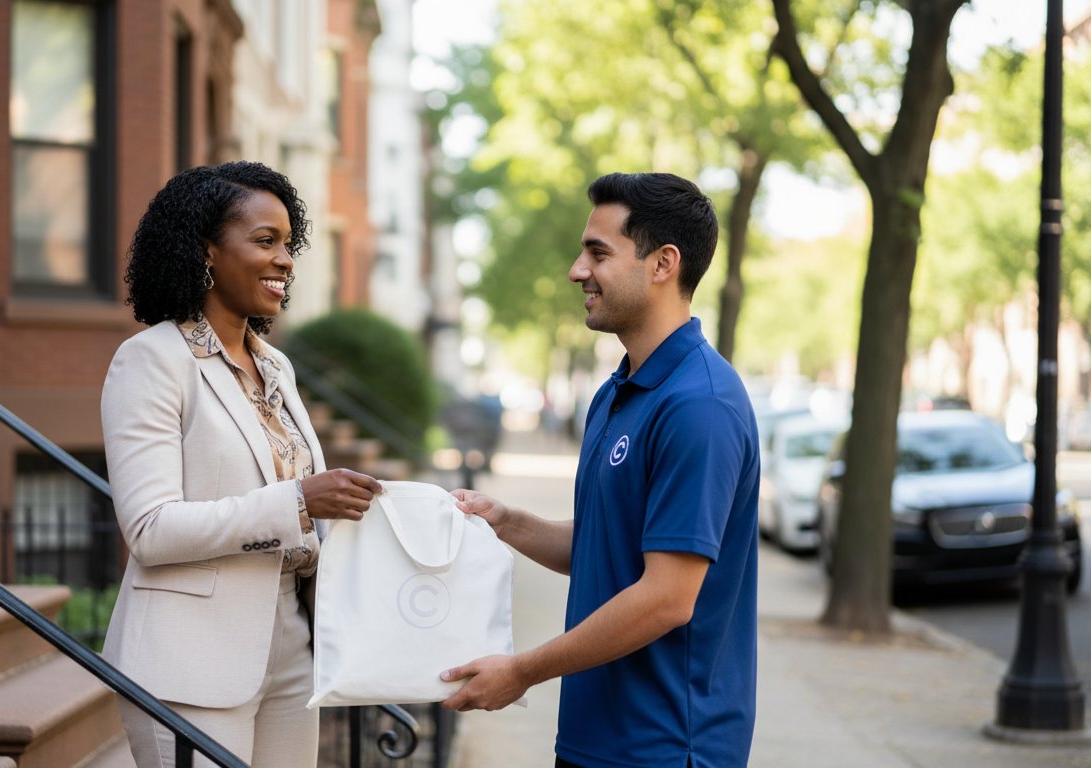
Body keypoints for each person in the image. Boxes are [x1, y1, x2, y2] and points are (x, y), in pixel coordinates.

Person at [440, 172, 760, 768]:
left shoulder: (701, 405)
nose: (576, 270)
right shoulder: (617, 392)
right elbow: (604, 548)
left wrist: (521, 672)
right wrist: (506, 521)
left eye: (597, 252)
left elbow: (667, 598)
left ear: (663, 263)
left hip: (667, 747)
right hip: (596, 738)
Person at [100, 161, 383, 768]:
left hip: (290, 640)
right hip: (190, 658)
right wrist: (300, 501)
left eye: (288, 244)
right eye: (264, 242)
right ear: (206, 250)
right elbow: (149, 530)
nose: (285, 259)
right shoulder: (150, 361)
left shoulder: (276, 367)